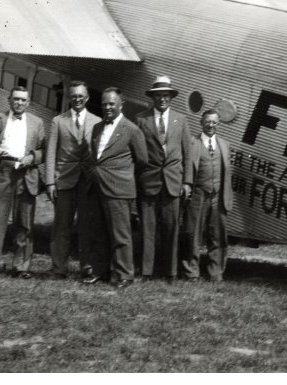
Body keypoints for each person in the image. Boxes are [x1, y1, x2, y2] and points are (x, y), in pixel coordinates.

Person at [84, 88, 147, 288]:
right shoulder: (97, 128)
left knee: (121, 234)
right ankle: (100, 271)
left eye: (111, 103)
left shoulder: (132, 129)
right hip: (97, 187)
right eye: (104, 104)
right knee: (99, 231)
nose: (107, 107)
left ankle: (125, 275)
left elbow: (143, 160)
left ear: (121, 104)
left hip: (119, 189)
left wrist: (123, 175)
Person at [135, 75, 192, 281]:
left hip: (173, 182)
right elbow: (137, 153)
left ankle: (171, 271)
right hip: (149, 181)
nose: (162, 99)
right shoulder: (141, 119)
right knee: (147, 228)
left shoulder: (181, 120)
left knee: (171, 228)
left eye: (165, 95)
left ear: (171, 97)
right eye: (158, 96)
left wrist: (187, 182)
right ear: (153, 97)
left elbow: (188, 153)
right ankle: (147, 271)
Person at [0, 86, 46, 278]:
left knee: (24, 222)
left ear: (28, 103)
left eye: (23, 100)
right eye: (16, 99)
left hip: (26, 173)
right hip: (4, 171)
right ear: (9, 100)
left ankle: (21, 267)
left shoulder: (37, 123)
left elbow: (44, 150)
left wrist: (32, 157)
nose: (19, 103)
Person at [45, 81, 102, 279]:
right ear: (69, 98)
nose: (77, 99)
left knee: (87, 226)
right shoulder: (58, 121)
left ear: (87, 98)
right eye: (73, 96)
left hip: (87, 183)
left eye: (81, 96)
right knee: (61, 226)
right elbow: (51, 152)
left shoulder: (96, 122)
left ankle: (87, 267)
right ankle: (58, 268)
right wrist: (50, 182)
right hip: (64, 180)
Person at [182, 109, 233, 282]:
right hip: (198, 195)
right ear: (201, 123)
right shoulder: (192, 143)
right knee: (192, 234)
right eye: (207, 122)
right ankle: (191, 272)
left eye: (214, 122)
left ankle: (216, 272)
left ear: (218, 124)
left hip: (218, 197)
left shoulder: (224, 145)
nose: (211, 125)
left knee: (218, 235)